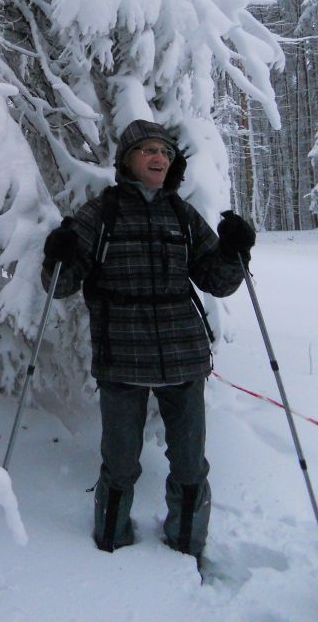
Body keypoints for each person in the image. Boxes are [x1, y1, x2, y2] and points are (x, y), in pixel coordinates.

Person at [42, 119, 255, 562]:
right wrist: (57, 254)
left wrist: (234, 251)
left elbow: (216, 280)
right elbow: (60, 286)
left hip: (184, 358)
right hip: (122, 359)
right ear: (127, 161)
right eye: (148, 151)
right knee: (120, 465)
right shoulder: (101, 213)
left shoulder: (182, 214)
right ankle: (111, 546)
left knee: (191, 464)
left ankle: (186, 544)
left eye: (165, 152)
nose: (159, 158)